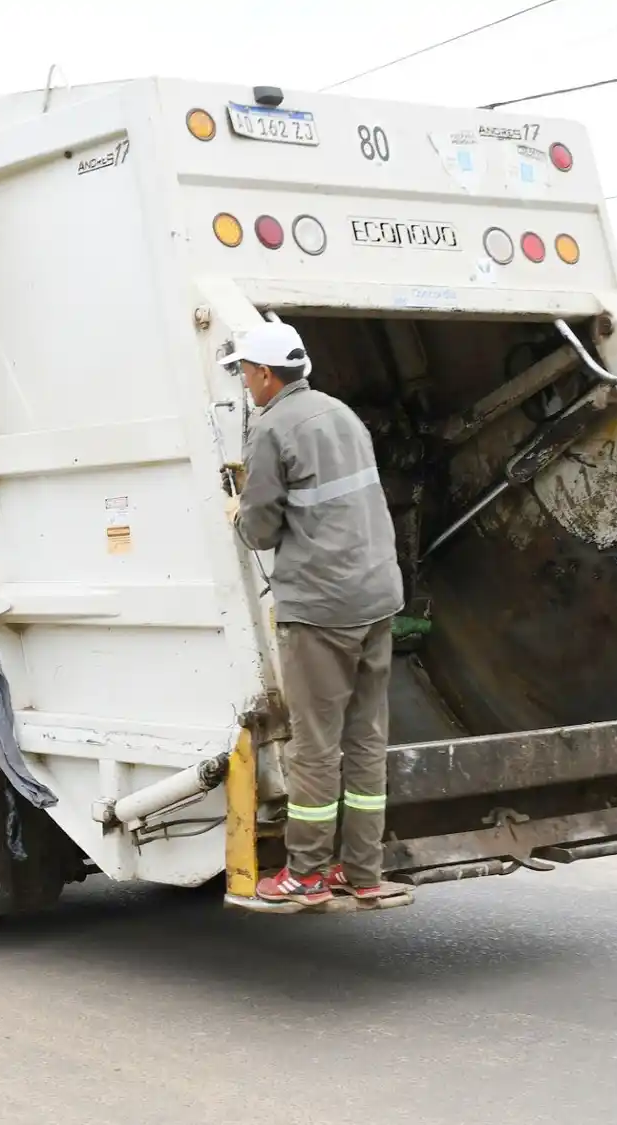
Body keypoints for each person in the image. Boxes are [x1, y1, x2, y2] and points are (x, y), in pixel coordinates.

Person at [222, 321, 404, 906]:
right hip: (378, 597)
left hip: (323, 609)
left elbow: (260, 530)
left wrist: (237, 513)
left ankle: (305, 873)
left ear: (266, 374)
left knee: (316, 747)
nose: (244, 382)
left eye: (245, 371)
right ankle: (364, 870)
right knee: (367, 739)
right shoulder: (343, 414)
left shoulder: (272, 428)